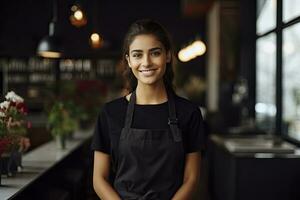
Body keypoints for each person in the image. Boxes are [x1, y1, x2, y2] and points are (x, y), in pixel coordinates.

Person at [92, 19, 205, 200]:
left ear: (168, 55)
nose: (146, 62)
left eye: (155, 53)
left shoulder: (189, 113)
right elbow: (99, 179)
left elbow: (191, 179)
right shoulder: (110, 113)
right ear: (128, 60)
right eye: (137, 55)